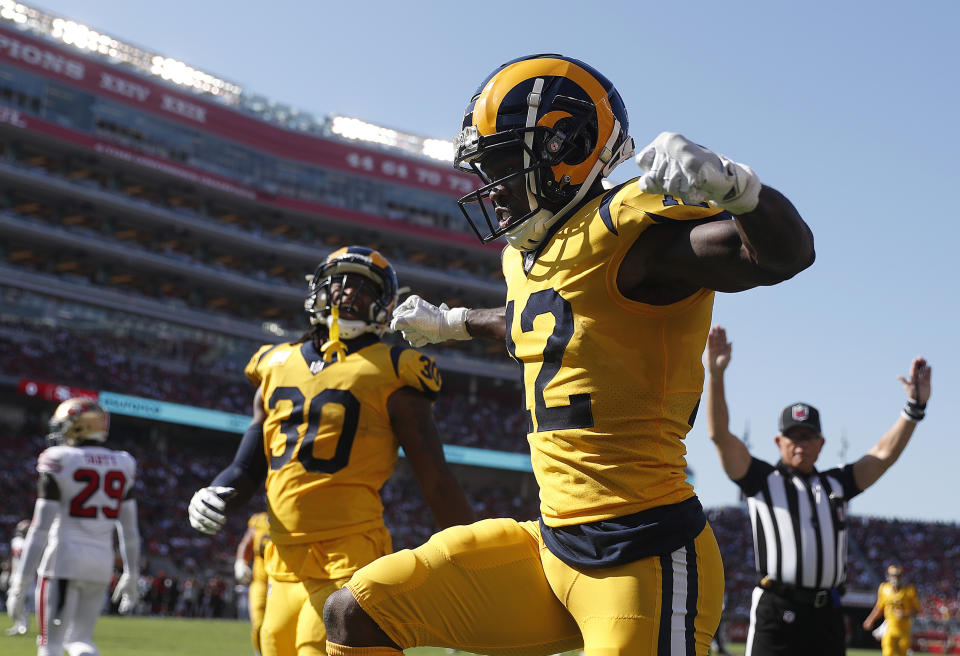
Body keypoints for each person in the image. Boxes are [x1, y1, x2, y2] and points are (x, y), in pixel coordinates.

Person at [323, 53, 815, 656]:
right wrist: (452, 323)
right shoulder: (526, 256)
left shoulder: (635, 232)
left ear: (570, 151)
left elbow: (782, 256)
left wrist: (739, 189)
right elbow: (536, 325)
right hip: (550, 545)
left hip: (644, 553)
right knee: (358, 612)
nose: (491, 189)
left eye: (505, 166)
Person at [187, 246, 475, 656]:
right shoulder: (274, 363)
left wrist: (470, 550)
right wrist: (216, 492)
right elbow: (248, 464)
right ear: (317, 290)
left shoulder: (394, 369)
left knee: (318, 647)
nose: (345, 294)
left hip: (349, 550)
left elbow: (436, 478)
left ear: (384, 303)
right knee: (274, 645)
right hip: (284, 557)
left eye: (360, 287)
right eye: (338, 282)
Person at [704, 325, 931, 656]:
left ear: (821, 443)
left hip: (826, 613)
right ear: (779, 442)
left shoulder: (835, 484)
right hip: (777, 609)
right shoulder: (762, 480)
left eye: (808, 436)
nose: (801, 445)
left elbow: (882, 456)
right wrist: (716, 374)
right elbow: (720, 436)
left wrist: (913, 409)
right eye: (793, 437)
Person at [5, 398, 141, 656]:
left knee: (51, 645)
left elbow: (40, 528)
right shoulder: (123, 462)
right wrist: (131, 573)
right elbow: (130, 531)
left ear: (80, 426)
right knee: (81, 641)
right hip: (100, 563)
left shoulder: (60, 459)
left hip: (63, 560)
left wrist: (20, 583)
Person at [863, 564, 922, 656]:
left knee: (902, 654)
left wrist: (905, 614)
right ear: (889, 576)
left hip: (904, 629)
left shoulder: (909, 590)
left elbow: (917, 610)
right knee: (887, 653)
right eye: (893, 576)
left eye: (898, 576)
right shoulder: (884, 588)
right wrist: (870, 619)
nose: (896, 578)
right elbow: (879, 607)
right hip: (889, 628)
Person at [236, 511, 272, 655]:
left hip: (283, 581)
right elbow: (245, 543)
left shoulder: (291, 519)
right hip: (261, 581)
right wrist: (240, 562)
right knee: (258, 624)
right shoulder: (259, 521)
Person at [5, 519, 31, 636]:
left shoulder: (28, 543)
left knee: (16, 602)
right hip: (15, 575)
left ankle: (23, 625)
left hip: (24, 576)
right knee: (11, 603)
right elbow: (12, 558)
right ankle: (18, 625)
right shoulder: (17, 541)